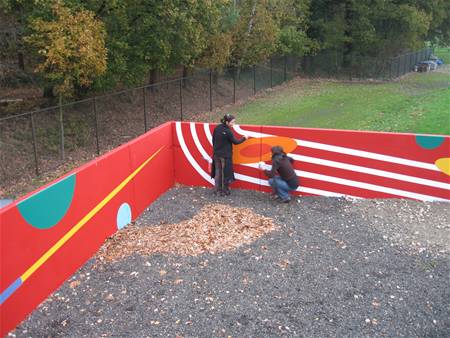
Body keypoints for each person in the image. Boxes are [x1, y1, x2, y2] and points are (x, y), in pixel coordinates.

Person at [211, 114, 248, 195]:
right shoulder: (228, 131)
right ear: (227, 122)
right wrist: (244, 138)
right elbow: (236, 142)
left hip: (216, 154)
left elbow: (213, 140)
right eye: (232, 122)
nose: (233, 124)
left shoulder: (217, 128)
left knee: (218, 172)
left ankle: (217, 190)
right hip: (225, 156)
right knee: (225, 173)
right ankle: (225, 191)